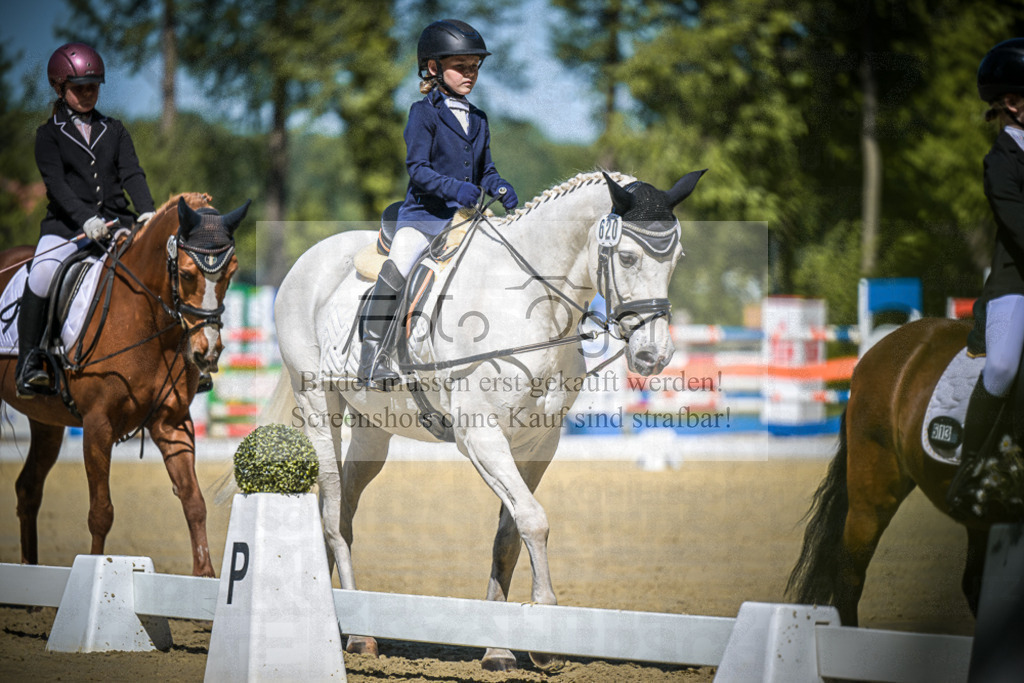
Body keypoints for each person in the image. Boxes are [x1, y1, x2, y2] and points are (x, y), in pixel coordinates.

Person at [357, 19, 519, 390]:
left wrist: (500, 186)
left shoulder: (478, 118)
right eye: (461, 67)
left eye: (474, 67)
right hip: (423, 217)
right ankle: (372, 356)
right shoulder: (423, 113)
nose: (470, 74)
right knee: (398, 269)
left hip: (463, 219)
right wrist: (454, 190)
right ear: (434, 68)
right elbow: (418, 169)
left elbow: (486, 170)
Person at [15, 42, 155, 397]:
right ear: (60, 88)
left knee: (158, 265)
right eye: (79, 88)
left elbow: (132, 175)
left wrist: (147, 211)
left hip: (117, 225)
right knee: (44, 270)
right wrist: (85, 219)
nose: (88, 93)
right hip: (66, 229)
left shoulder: (116, 129)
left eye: (93, 86)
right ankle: (31, 361)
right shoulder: (47, 136)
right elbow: (57, 187)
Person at [948, 38, 1024, 520]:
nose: (1014, 106)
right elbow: (1019, 229)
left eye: (1019, 95)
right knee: (1000, 367)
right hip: (1016, 283)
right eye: (1006, 102)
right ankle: (971, 467)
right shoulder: (1000, 161)